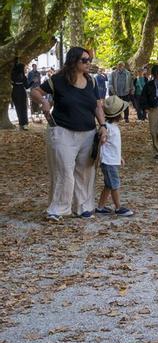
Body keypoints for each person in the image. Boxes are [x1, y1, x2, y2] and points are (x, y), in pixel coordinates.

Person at [30, 47, 108, 222]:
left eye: (89, 60)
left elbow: (97, 106)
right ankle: (58, 208)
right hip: (62, 131)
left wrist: (102, 125)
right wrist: (43, 101)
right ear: (73, 61)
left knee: (85, 171)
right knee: (64, 170)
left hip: (88, 133)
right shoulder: (57, 80)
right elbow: (35, 91)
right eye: (85, 60)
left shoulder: (92, 82)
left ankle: (83, 207)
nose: (89, 63)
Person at [95, 96, 134, 217]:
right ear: (118, 114)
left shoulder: (113, 127)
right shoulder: (107, 128)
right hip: (108, 161)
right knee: (115, 184)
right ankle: (118, 207)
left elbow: (114, 146)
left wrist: (119, 157)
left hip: (113, 160)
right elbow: (102, 143)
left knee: (108, 185)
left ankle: (100, 207)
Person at [10, 58, 29, 130]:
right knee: (24, 108)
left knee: (18, 108)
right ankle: (25, 123)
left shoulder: (12, 74)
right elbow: (27, 86)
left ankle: (21, 123)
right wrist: (33, 81)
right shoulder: (23, 76)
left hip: (14, 91)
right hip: (21, 91)